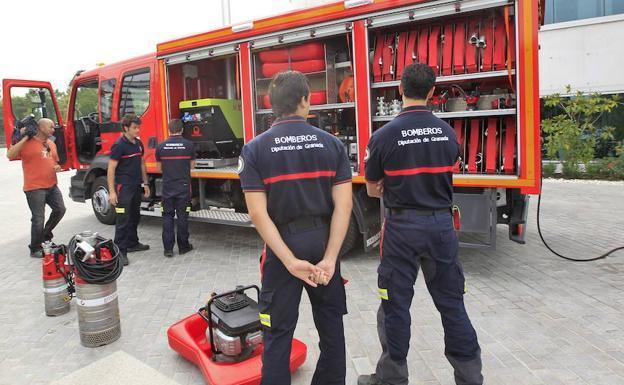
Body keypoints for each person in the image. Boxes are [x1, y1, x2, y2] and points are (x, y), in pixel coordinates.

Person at [359, 63, 483, 385]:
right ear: (432, 93)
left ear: (400, 90)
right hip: (441, 227)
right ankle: (470, 377)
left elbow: (373, 189)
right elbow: (449, 170)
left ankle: (392, 379)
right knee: (452, 304)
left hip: (401, 230)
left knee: (395, 306)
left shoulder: (382, 136)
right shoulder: (447, 133)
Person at [239, 70, 353, 385]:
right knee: (332, 330)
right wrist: (330, 258)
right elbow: (344, 206)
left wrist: (289, 261)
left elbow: (257, 213)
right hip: (323, 240)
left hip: (282, 246)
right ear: (306, 101)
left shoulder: (255, 149)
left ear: (271, 104)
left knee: (277, 335)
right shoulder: (332, 145)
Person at [7, 118, 66, 258]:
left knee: (60, 210)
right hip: (34, 187)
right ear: (40, 128)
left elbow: (55, 161)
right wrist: (26, 136)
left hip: (51, 185)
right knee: (38, 218)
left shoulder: (51, 143)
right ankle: (35, 247)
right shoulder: (26, 143)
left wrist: (57, 167)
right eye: (50, 127)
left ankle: (45, 235)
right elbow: (10, 154)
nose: (53, 129)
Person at [108, 113, 150, 266]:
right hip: (123, 188)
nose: (138, 130)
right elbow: (111, 169)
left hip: (136, 186)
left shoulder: (138, 144)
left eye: (139, 127)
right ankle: (120, 252)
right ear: (126, 128)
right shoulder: (119, 145)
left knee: (135, 216)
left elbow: (141, 164)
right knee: (123, 220)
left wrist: (145, 184)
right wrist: (112, 192)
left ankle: (133, 243)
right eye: (135, 128)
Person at [155, 119, 196, 258]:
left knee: (167, 216)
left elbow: (159, 168)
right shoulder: (189, 145)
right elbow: (192, 166)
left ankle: (168, 249)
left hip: (167, 187)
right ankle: (183, 246)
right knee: (182, 216)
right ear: (182, 129)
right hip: (183, 187)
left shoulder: (160, 147)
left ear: (169, 130)